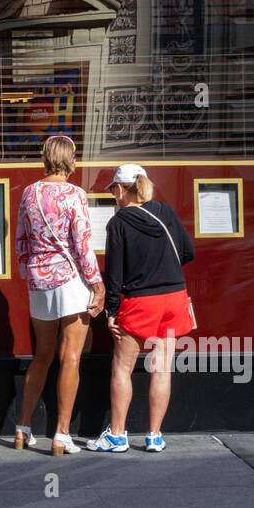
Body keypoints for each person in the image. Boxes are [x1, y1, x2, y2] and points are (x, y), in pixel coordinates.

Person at [87, 163, 195, 455]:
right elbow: (188, 252)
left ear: (121, 189)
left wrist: (111, 311)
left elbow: (115, 275)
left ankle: (118, 436)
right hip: (174, 297)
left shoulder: (119, 222)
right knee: (162, 369)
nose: (113, 196)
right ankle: (155, 435)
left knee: (122, 368)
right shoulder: (165, 211)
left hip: (140, 302)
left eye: (112, 190)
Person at [13, 135, 105, 455]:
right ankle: (61, 434)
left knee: (42, 354)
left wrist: (31, 274)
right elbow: (82, 245)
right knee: (71, 356)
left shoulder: (29, 193)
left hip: (39, 281)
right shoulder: (75, 194)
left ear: (45, 158)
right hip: (70, 280)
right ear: (70, 160)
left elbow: (21, 241)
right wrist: (97, 284)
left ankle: (22, 428)